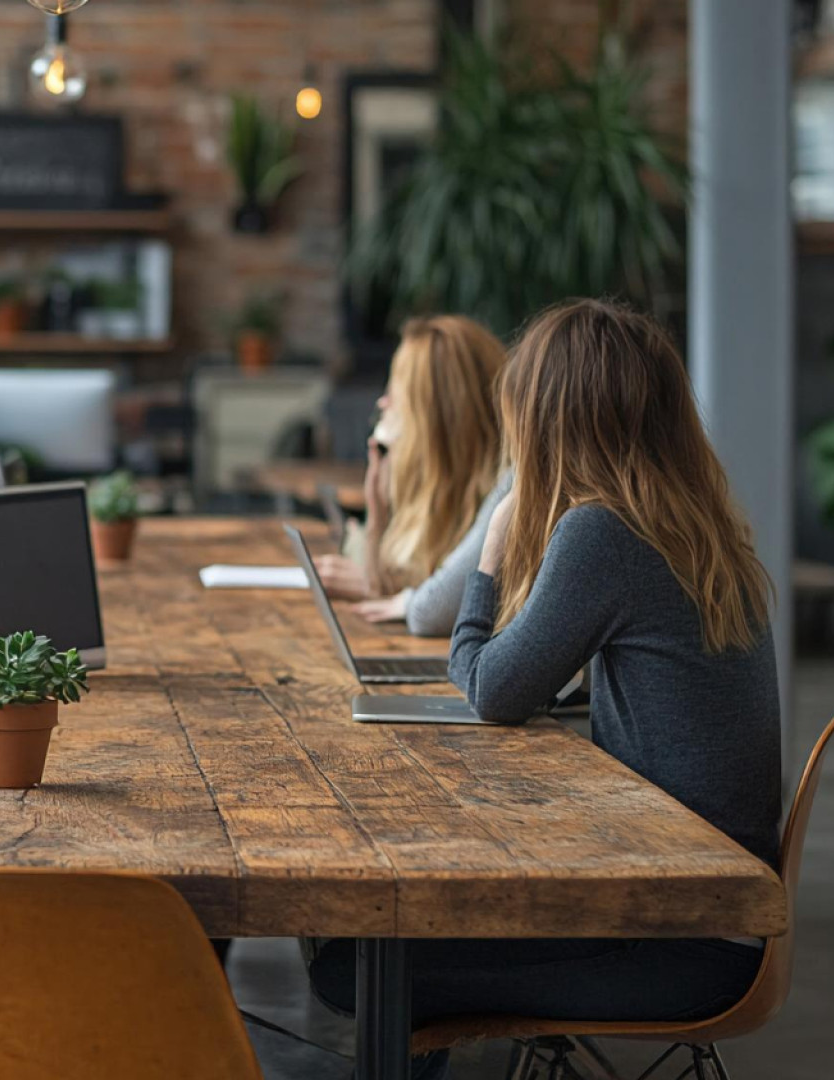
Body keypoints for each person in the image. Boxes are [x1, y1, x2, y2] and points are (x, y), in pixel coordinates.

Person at [306, 299, 780, 1079]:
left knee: (357, 965)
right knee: (395, 941)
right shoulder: (695, 523)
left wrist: (490, 559)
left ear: (549, 419)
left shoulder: (604, 531)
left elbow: (492, 690)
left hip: (676, 934)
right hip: (716, 908)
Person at [315, 315, 511, 637]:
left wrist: (400, 596)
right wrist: (377, 514)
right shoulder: (434, 489)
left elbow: (436, 605)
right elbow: (399, 574)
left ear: (436, 416)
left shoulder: (506, 492)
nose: (383, 403)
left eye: (396, 390)